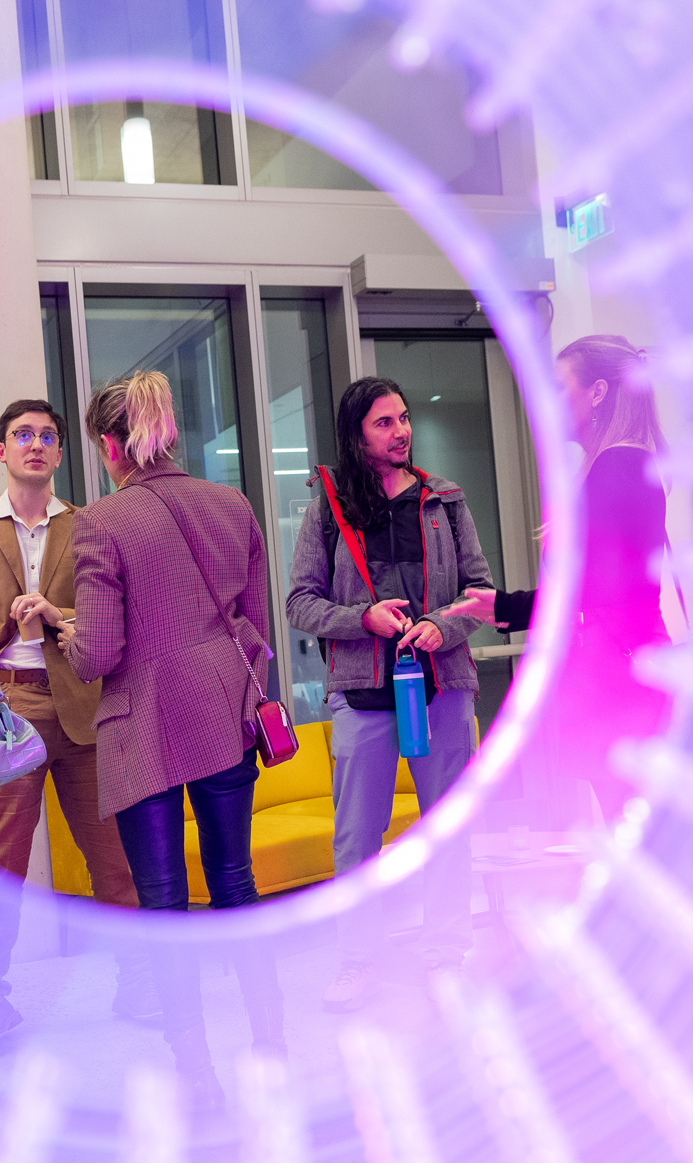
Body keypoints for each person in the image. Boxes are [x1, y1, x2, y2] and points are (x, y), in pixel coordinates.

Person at [62, 370, 282, 1103]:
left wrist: (61, 630)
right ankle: (271, 1045)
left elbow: (97, 654)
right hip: (224, 710)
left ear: (107, 444)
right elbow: (253, 621)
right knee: (235, 881)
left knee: (163, 904)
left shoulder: (101, 521)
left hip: (145, 724)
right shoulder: (231, 503)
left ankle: (200, 1076)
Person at [0, 398, 150, 1040]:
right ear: (1, 451)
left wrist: (59, 619)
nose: (35, 444)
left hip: (87, 702)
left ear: (61, 453)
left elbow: (119, 623)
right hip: (9, 706)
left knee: (115, 856)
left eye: (48, 436)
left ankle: (140, 983)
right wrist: (7, 630)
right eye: (22, 435)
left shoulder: (91, 524)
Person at [285, 375, 492, 1013]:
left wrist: (443, 624)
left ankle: (446, 950)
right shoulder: (328, 508)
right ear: (356, 434)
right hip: (362, 693)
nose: (401, 431)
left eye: (404, 418)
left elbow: (479, 592)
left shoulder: (445, 500)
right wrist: (362, 620)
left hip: (443, 686)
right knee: (356, 837)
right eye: (384, 422)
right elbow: (299, 602)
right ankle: (358, 961)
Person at [442, 334, 674, 821]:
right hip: (624, 678)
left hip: (619, 683)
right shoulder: (620, 464)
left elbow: (593, 589)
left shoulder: (620, 466)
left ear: (598, 392)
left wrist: (506, 606)